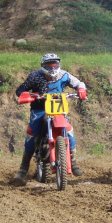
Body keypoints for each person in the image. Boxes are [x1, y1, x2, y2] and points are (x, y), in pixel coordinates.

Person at [14, 53, 88, 181]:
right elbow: (20, 89)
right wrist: (25, 94)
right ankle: (24, 167)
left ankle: (73, 162)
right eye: (50, 65)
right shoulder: (35, 76)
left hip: (59, 110)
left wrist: (81, 90)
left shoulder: (64, 75)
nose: (53, 68)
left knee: (69, 131)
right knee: (32, 133)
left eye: (55, 65)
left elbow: (78, 83)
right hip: (39, 109)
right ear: (43, 66)